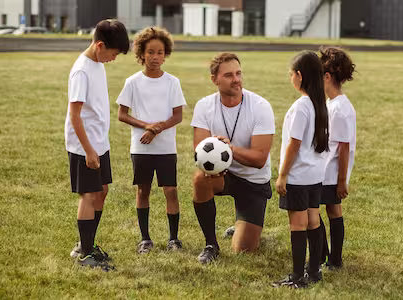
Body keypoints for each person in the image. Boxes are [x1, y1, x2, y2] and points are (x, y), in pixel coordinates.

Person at [190, 52, 275, 264]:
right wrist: (216, 163)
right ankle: (211, 244)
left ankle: (243, 227)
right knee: (200, 178)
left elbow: (259, 159)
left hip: (253, 180)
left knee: (243, 250)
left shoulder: (260, 106)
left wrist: (228, 149)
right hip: (223, 175)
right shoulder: (204, 105)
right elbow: (199, 150)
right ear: (214, 79)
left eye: (238, 73)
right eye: (228, 75)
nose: (236, 79)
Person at [65, 19, 130, 270]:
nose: (113, 59)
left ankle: (87, 245)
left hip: (99, 143)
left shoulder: (97, 63)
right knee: (90, 195)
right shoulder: (82, 70)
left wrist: (99, 145)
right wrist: (89, 150)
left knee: (102, 191)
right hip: (85, 146)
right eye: (113, 54)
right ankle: (84, 255)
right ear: (100, 45)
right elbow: (75, 115)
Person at [117, 27, 186, 254]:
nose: (155, 57)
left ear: (165, 54)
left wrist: (157, 130)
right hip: (141, 147)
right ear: (141, 54)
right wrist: (146, 126)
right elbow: (122, 114)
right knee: (142, 191)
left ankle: (173, 239)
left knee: (170, 191)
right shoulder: (133, 82)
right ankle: (145, 239)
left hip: (166, 148)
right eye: (151, 52)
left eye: (160, 52)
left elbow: (178, 115)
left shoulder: (172, 82)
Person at [272, 51, 329, 288]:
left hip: (297, 176)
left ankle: (297, 277)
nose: (290, 78)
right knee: (313, 220)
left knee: (297, 224)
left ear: (299, 76)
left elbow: (294, 144)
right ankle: (313, 271)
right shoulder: (320, 104)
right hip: (315, 175)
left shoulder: (301, 107)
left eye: (291, 74)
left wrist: (282, 174)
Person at [318, 46, 356, 269]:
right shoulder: (333, 104)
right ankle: (333, 259)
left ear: (328, 76)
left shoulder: (340, 108)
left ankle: (328, 257)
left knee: (314, 209)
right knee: (332, 210)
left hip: (331, 173)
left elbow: (343, 147)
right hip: (327, 170)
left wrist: (342, 181)